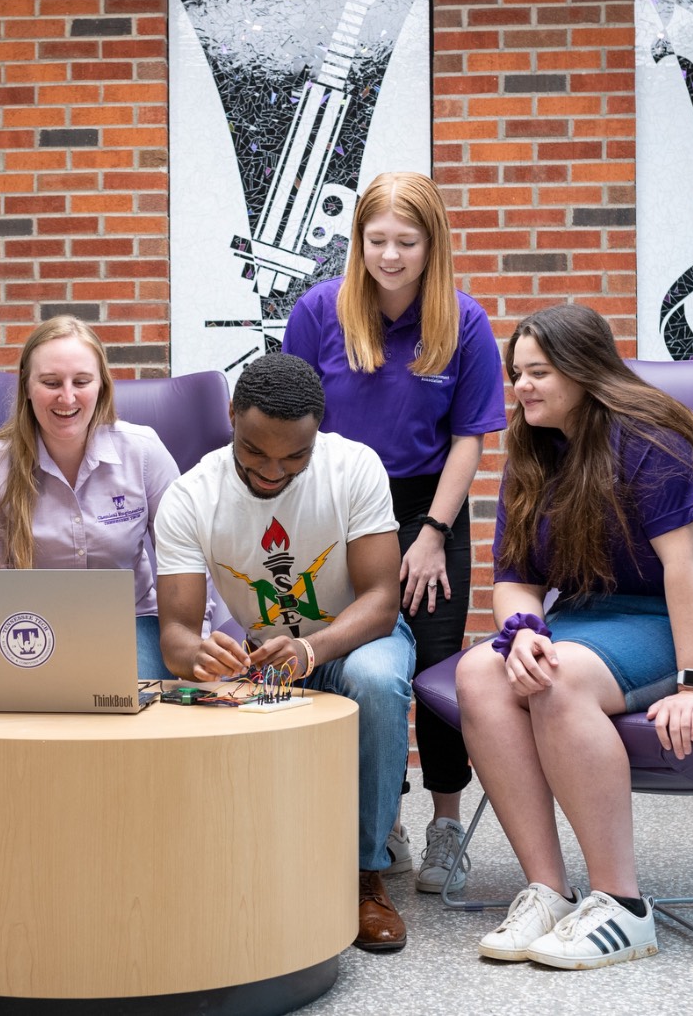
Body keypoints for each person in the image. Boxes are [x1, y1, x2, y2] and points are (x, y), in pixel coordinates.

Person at [455, 304, 693, 969]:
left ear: (584, 369)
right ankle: (548, 891)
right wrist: (522, 632)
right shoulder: (533, 451)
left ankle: (623, 906)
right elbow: (515, 579)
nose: (522, 387)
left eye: (539, 372)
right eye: (517, 374)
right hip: (593, 618)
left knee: (559, 677)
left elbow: (685, 567)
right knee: (480, 672)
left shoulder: (653, 440)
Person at [283, 170, 506, 894]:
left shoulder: (464, 322)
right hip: (338, 509)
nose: (389, 256)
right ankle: (385, 822)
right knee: (362, 663)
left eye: (406, 242)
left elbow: (469, 438)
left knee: (435, 670)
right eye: (376, 240)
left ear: (432, 244)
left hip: (425, 508)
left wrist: (435, 531)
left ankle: (446, 824)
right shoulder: (318, 311)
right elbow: (291, 422)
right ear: (358, 241)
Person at [154, 352, 416, 953]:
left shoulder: (355, 468)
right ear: (231, 417)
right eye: (254, 452)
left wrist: (309, 647)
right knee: (199, 703)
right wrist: (200, 656)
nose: (272, 472)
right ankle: (242, 866)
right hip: (261, 657)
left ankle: (364, 875)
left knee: (377, 682)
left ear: (317, 432)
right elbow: (176, 634)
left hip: (356, 639)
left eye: (294, 456)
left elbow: (382, 601)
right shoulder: (190, 497)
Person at [0, 315, 179, 679]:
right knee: (42, 702)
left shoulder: (143, 451)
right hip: (31, 630)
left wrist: (193, 643)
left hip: (131, 622)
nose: (68, 397)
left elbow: (185, 558)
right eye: (51, 382)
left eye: (82, 381)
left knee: (124, 695)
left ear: (102, 386)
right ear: (27, 386)